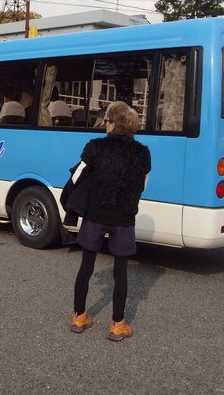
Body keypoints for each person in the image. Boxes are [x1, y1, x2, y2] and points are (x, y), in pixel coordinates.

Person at [69, 101, 151, 341]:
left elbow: (77, 176)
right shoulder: (142, 153)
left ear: (114, 124)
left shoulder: (95, 148)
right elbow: (142, 185)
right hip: (124, 218)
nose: (105, 125)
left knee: (86, 267)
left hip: (96, 214)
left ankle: (79, 316)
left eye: (107, 121)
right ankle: (117, 324)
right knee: (121, 273)